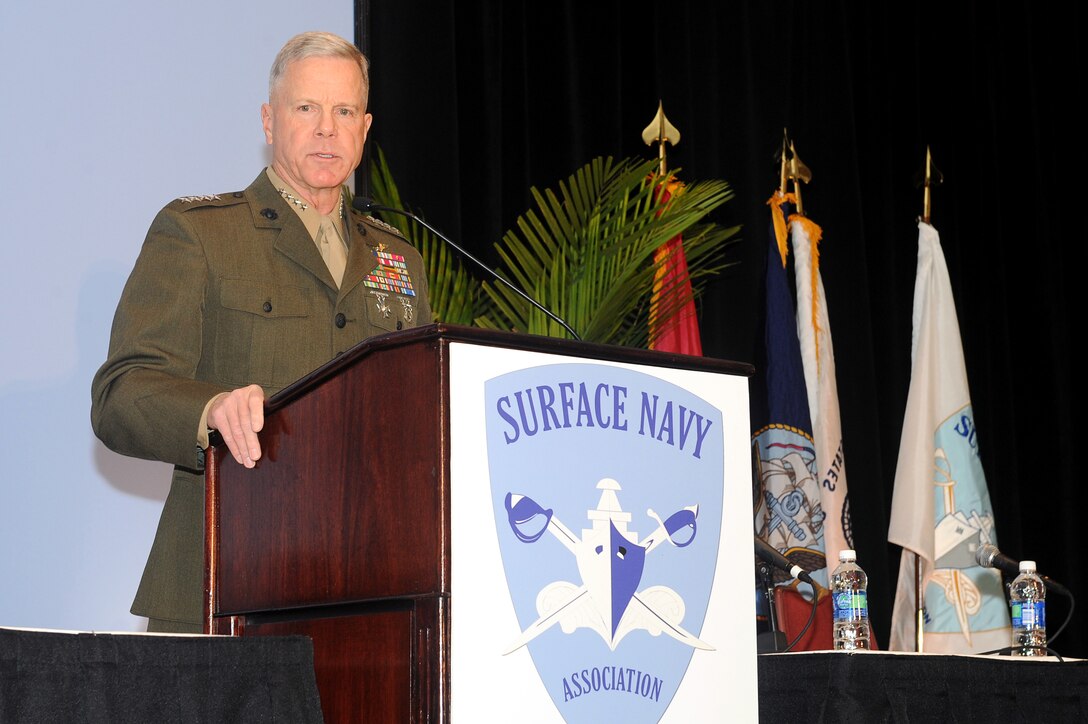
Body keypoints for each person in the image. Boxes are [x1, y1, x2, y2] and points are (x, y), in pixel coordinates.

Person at [91, 31, 431, 634]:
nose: (327, 128)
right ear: (270, 122)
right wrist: (211, 409)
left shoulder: (398, 256)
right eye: (307, 108)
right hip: (224, 586)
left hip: (369, 598)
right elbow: (122, 393)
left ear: (365, 127)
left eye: (344, 111)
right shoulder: (201, 233)